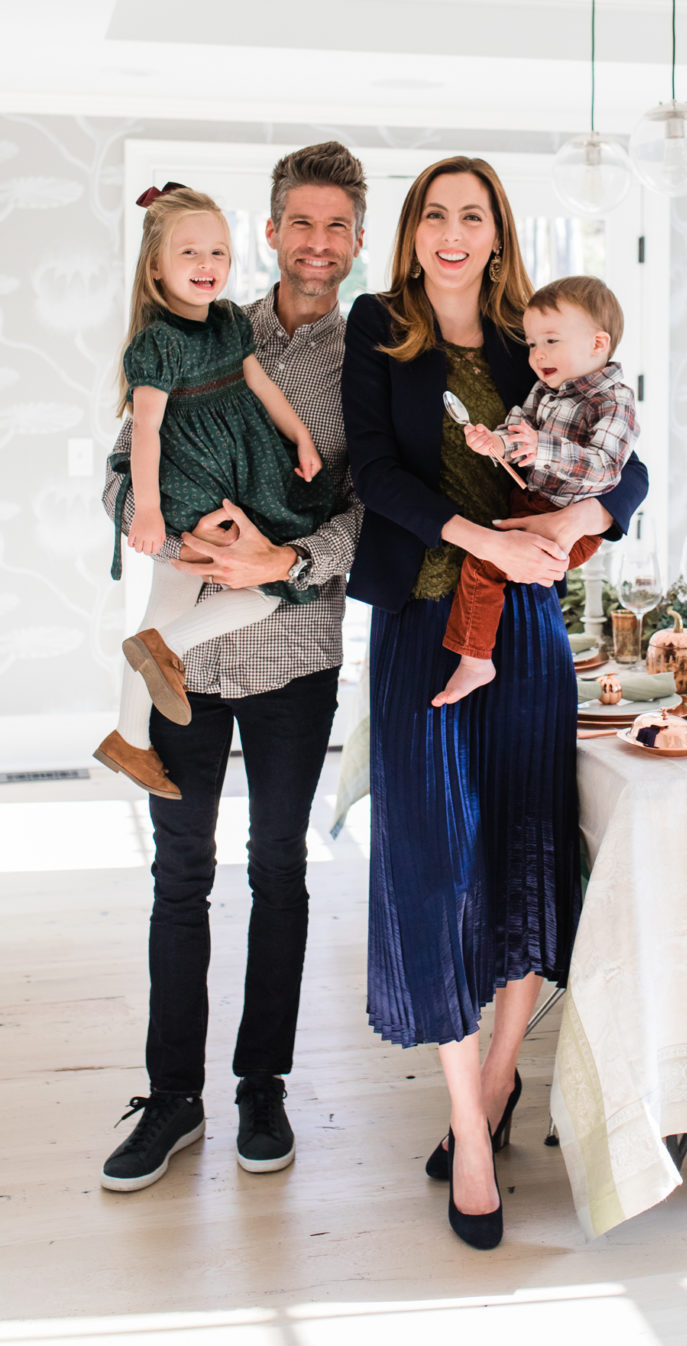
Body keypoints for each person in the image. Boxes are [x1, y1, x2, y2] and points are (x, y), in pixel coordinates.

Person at [341, 155, 647, 1249]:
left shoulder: (537, 335)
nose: (453, 231)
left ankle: (499, 1080)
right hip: (421, 624)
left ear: (498, 231)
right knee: (431, 864)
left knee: (524, 852)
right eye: (436, 214)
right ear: (415, 232)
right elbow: (370, 472)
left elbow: (629, 464)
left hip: (524, 631)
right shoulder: (378, 327)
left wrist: (576, 527)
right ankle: (469, 1132)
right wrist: (478, 536)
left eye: (473, 214)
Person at [99, 141, 365, 1192]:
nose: (315, 242)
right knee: (180, 875)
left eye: (336, 225)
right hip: (187, 666)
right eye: (298, 222)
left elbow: (365, 517)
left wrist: (283, 561)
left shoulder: (372, 367)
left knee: (280, 871)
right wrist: (158, 531)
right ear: (269, 233)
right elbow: (126, 466)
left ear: (354, 240)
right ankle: (172, 1098)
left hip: (295, 653)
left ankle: (263, 1083)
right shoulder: (199, 326)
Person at [94, 184, 333, 798]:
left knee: (165, 609)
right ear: (156, 266)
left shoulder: (230, 322)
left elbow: (262, 388)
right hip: (189, 485)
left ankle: (130, 737)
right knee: (263, 594)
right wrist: (148, 511)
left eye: (219, 253)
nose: (207, 266)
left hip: (230, 479)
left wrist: (303, 437)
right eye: (190, 254)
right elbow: (144, 431)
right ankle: (161, 651)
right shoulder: (158, 342)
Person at [434, 274, 638, 706]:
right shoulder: (546, 390)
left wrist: (541, 447)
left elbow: (605, 470)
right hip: (531, 499)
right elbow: (517, 429)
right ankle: (481, 654)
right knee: (489, 560)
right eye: (531, 344)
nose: (537, 354)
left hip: (572, 521)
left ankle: (475, 661)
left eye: (550, 341)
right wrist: (498, 442)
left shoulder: (614, 401)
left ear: (598, 345)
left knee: (484, 564)